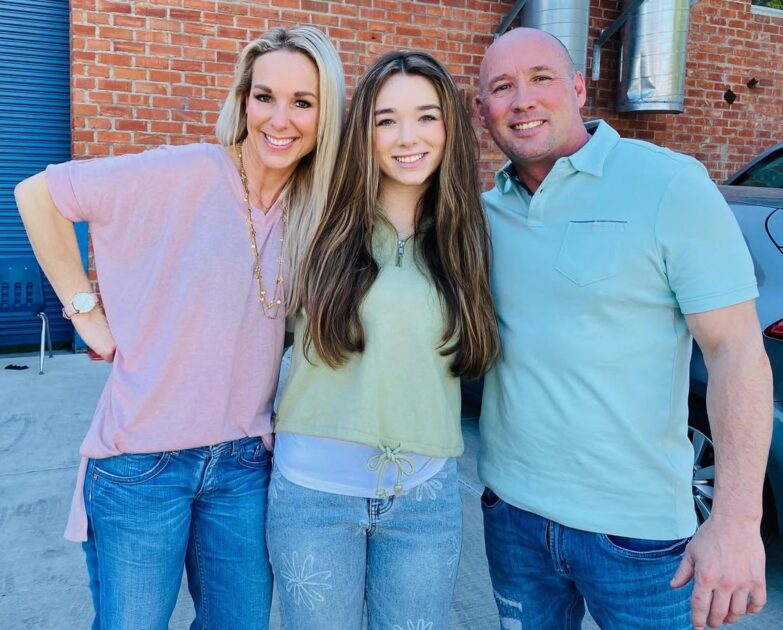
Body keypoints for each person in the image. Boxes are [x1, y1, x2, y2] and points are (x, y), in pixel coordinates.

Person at [14, 25, 344, 629]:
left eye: (304, 102)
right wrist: (85, 313)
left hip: (244, 465)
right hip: (143, 461)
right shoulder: (186, 171)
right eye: (265, 96)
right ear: (243, 100)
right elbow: (40, 194)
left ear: (327, 115)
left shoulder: (312, 210)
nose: (280, 119)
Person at [475, 27, 773, 630]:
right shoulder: (485, 212)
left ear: (580, 88)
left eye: (542, 78)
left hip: (638, 537)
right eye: (502, 87)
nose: (523, 99)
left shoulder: (669, 185)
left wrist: (737, 524)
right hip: (511, 516)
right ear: (483, 112)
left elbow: (736, 352)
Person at [266, 51, 499, 629]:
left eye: (426, 116)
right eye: (385, 120)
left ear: (450, 127)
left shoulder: (470, 233)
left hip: (425, 495)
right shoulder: (314, 218)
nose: (406, 137)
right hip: (314, 492)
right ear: (363, 134)